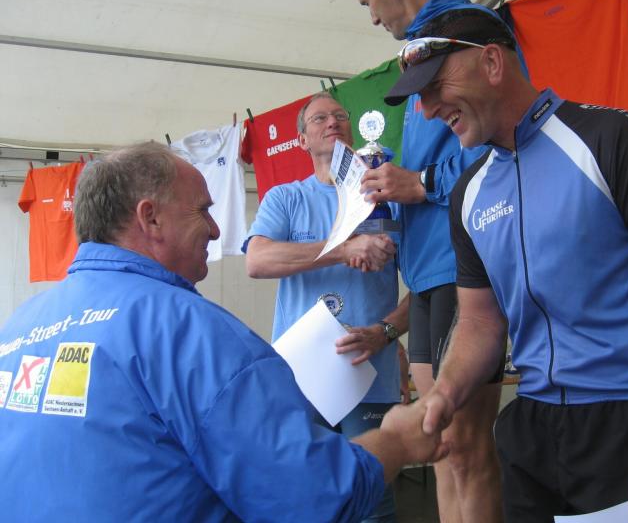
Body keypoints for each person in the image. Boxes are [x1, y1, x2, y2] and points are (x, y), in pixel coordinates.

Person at [384, 6, 628, 523]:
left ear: (492, 62)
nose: (427, 110)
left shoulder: (614, 140)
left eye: (435, 87)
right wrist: (443, 395)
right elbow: (479, 321)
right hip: (531, 429)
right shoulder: (468, 193)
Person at [0, 142, 446, 522]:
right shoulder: (190, 332)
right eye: (203, 211)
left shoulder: (19, 327)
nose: (215, 231)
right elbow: (311, 495)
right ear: (150, 218)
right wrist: (397, 441)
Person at [351, 0, 503, 522]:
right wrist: (386, 195)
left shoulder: (465, 31)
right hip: (425, 274)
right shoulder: (419, 49)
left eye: (368, 2)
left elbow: (499, 150)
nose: (371, 18)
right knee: (437, 445)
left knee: (466, 447)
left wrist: (419, 182)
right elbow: (427, 169)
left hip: (464, 269)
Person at [244, 92, 408, 523]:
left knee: (373, 499)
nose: (332, 122)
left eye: (340, 115)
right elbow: (257, 261)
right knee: (305, 498)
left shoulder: (386, 199)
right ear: (301, 140)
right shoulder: (285, 198)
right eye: (319, 118)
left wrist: (386, 333)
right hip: (301, 377)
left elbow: (426, 289)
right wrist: (343, 249)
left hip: (371, 374)